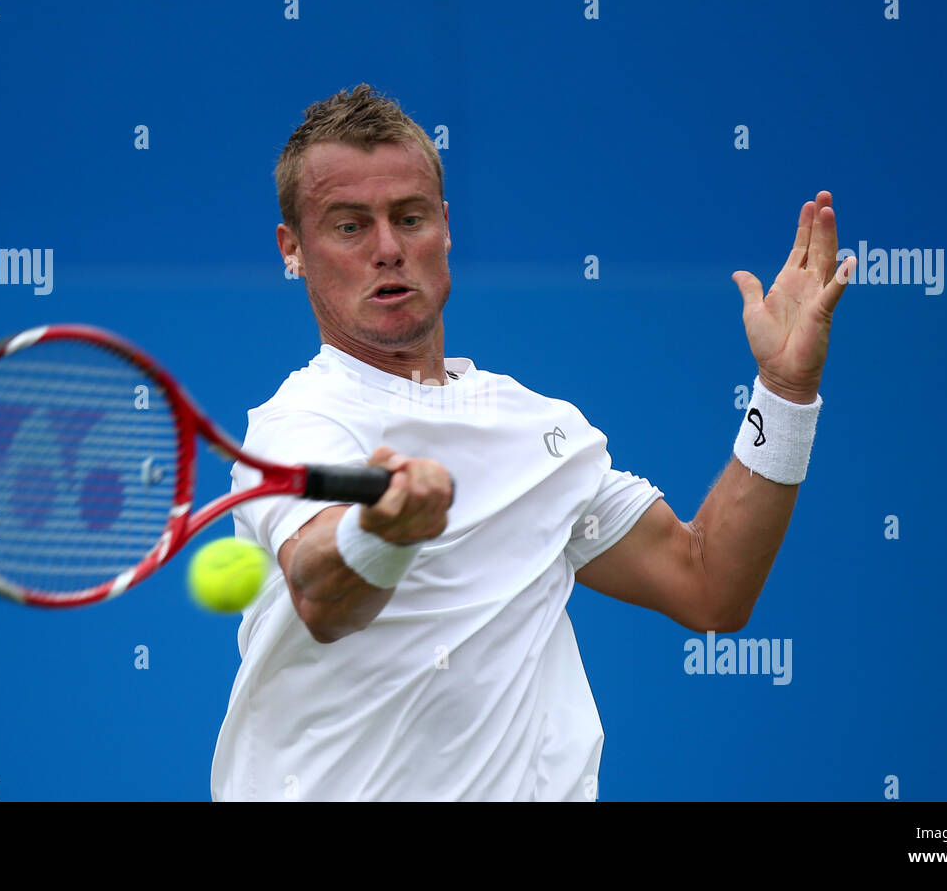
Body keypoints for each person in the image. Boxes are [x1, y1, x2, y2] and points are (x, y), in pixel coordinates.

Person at [210, 84, 855, 801]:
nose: (389, 249)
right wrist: (383, 532)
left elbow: (711, 585)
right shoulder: (300, 422)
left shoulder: (539, 429)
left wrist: (784, 392)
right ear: (292, 250)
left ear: (446, 226)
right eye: (350, 227)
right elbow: (324, 596)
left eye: (410, 217)